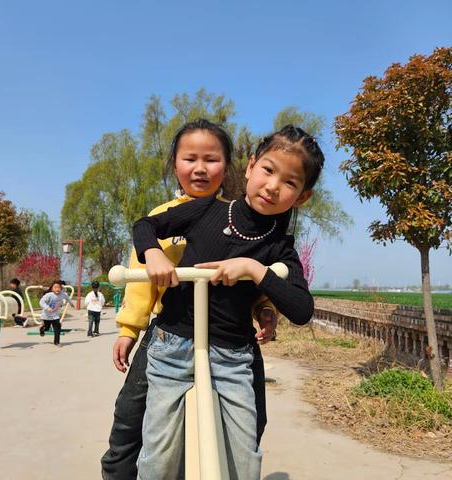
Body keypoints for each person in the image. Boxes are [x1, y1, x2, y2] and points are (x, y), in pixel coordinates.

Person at [133, 124, 323, 480]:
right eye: (268, 170)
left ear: (302, 197)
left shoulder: (280, 248)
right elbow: (144, 225)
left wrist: (253, 268)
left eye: (290, 182)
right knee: (158, 460)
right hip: (172, 345)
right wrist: (153, 254)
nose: (272, 186)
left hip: (234, 359)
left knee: (242, 461)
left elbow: (302, 309)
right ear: (250, 167)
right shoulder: (206, 210)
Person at [101, 119, 278, 480]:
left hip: (230, 338)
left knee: (254, 418)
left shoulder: (238, 216)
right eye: (190, 159)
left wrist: (264, 309)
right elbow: (140, 286)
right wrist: (129, 330)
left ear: (227, 166)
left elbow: (257, 277)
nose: (200, 168)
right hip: (170, 333)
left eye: (211, 159)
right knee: (129, 420)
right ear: (175, 164)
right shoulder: (158, 220)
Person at [39, 280, 74, 346]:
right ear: (52, 288)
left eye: (59, 287)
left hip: (55, 315)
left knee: (58, 327)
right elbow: (41, 302)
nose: (57, 289)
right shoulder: (48, 295)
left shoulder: (63, 294)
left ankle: (57, 342)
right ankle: (42, 329)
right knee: (47, 328)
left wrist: (71, 303)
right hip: (47, 315)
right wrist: (47, 308)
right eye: (55, 287)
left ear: (61, 288)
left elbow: (67, 298)